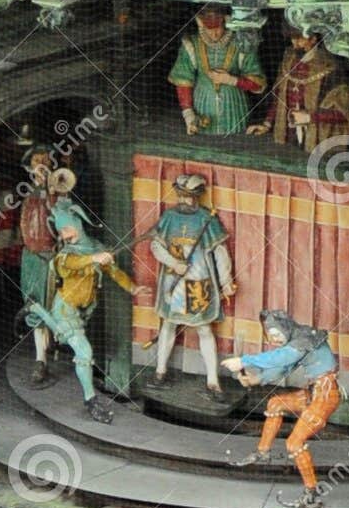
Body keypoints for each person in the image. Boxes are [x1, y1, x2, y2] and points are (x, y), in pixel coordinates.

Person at [24, 209, 144, 424]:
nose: (64, 235)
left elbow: (114, 272)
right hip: (65, 309)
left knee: (65, 337)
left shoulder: (96, 247)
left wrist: (133, 288)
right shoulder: (66, 255)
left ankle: (36, 310)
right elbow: (71, 265)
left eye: (67, 229)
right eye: (61, 232)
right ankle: (91, 400)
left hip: (83, 311)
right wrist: (94, 258)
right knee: (84, 353)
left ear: (78, 224)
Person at [223, 309, 340, 508]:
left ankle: (311, 494)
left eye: (276, 334)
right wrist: (256, 379)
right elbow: (283, 368)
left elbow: (281, 358)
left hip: (324, 396)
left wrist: (244, 361)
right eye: (271, 336)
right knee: (275, 404)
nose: (274, 339)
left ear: (285, 328)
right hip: (314, 393)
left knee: (294, 443)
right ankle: (263, 452)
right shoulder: (298, 340)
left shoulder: (302, 340)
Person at [150, 173, 234, 401]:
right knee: (168, 324)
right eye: (181, 195)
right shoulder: (169, 217)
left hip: (199, 283)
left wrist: (226, 282)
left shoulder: (207, 218)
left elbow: (220, 252)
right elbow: (156, 246)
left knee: (204, 329)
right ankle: (160, 372)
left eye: (189, 196)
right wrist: (173, 263)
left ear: (197, 196)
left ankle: (213, 382)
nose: (184, 200)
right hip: (173, 282)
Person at [247, 25, 349, 152]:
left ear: (313, 39)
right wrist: (267, 124)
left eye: (299, 38)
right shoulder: (288, 60)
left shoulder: (331, 67)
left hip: (318, 141)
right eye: (292, 38)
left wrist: (309, 117)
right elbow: (278, 96)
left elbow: (343, 114)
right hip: (288, 138)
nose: (295, 44)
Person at [168, 5, 266, 137]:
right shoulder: (191, 44)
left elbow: (258, 84)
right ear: (201, 25)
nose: (214, 34)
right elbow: (183, 81)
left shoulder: (241, 43)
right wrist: (189, 115)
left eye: (218, 29)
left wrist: (231, 80)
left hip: (234, 110)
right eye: (209, 29)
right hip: (202, 106)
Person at [17, 146, 62, 386]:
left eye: (45, 161)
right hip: (33, 257)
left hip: (51, 257)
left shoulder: (58, 192)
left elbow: (60, 221)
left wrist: (50, 191)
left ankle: (54, 346)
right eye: (37, 162)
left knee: (55, 305)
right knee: (34, 306)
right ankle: (40, 359)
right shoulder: (28, 193)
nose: (41, 166)